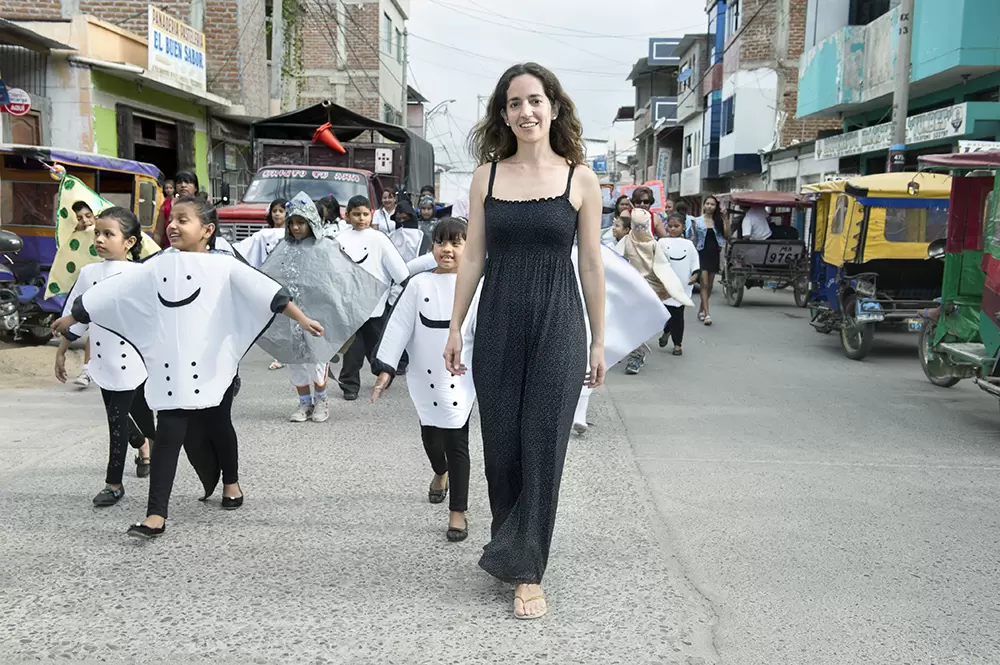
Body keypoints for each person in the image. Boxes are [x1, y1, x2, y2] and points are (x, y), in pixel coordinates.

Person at [52, 195, 324, 539]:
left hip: (216, 366)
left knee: (220, 426)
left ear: (207, 230)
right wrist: (73, 317)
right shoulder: (157, 265)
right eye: (172, 219)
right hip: (171, 370)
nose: (173, 225)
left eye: (183, 220)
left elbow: (268, 293)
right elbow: (113, 292)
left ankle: (231, 482)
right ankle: (155, 514)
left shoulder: (224, 265)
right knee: (168, 435)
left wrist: (302, 319)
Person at [443, 62, 606, 620]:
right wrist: (455, 325)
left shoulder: (580, 179)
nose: (526, 111)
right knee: (503, 447)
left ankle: (527, 569)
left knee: (543, 442)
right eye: (514, 103)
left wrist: (599, 341)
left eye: (535, 100)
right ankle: (510, 544)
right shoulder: (485, 178)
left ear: (553, 108)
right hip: (498, 321)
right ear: (503, 114)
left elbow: (591, 264)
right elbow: (473, 256)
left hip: (559, 321)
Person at [372, 218, 476, 542]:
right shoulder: (418, 285)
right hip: (424, 376)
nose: (447, 249)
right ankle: (439, 472)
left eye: (456, 243)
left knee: (457, 441)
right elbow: (399, 326)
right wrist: (386, 369)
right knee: (432, 438)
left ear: (469, 248)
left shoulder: (478, 285)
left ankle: (458, 511)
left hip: (461, 376)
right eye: (441, 242)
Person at [55, 207, 155, 505]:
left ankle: (114, 484)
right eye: (97, 233)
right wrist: (61, 350)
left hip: (132, 360)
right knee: (117, 415)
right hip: (102, 359)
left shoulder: (142, 274)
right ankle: (143, 444)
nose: (99, 239)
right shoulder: (89, 273)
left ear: (129, 242)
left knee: (116, 421)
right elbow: (76, 315)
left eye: (108, 234)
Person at [336, 195, 409, 401]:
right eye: (356, 214)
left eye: (365, 214)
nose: (361, 218)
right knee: (352, 350)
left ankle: (385, 374)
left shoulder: (379, 239)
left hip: (376, 305)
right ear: (347, 215)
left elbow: (398, 268)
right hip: (349, 307)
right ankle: (349, 385)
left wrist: (406, 286)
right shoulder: (339, 240)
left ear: (371, 214)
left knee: (379, 346)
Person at [613, 208, 667, 374]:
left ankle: (637, 355)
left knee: (634, 324)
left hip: (642, 291)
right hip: (624, 291)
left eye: (617, 226)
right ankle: (630, 351)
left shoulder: (648, 245)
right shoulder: (619, 244)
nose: (614, 228)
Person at [658, 212, 700, 355]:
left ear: (683, 227)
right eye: (670, 226)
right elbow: (657, 261)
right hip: (666, 285)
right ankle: (667, 330)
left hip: (683, 284)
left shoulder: (689, 244)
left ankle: (677, 344)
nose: (673, 229)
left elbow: (694, 260)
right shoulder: (661, 242)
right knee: (669, 313)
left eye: (676, 226)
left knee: (678, 314)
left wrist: (695, 274)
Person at [69, 201, 97, 387]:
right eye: (79, 218)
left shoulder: (104, 234)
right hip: (91, 290)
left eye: (88, 216)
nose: (85, 221)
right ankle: (86, 371)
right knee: (94, 329)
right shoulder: (75, 240)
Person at [694, 195, 728, 326]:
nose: (709, 206)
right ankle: (707, 314)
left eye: (712, 204)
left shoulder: (718, 221)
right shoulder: (697, 221)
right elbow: (693, 238)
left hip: (714, 254)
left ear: (716, 207)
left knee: (710, 286)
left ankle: (701, 310)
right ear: (704, 205)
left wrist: (725, 219)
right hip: (701, 254)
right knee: (704, 283)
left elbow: (727, 235)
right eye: (707, 203)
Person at [153, 170, 199, 248]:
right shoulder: (167, 205)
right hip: (171, 251)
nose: (183, 185)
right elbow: (158, 233)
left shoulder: (202, 206)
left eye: (188, 182)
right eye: (179, 183)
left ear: (196, 188)